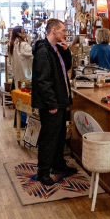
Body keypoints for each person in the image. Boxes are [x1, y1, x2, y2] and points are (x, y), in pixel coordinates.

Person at [31, 18, 73, 186]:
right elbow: (43, 80)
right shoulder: (43, 52)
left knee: (60, 135)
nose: (65, 33)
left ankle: (57, 164)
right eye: (62, 30)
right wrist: (51, 104)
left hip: (61, 99)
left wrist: (66, 50)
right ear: (54, 30)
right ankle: (43, 172)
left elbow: (66, 68)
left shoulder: (56, 49)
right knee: (49, 137)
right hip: (52, 102)